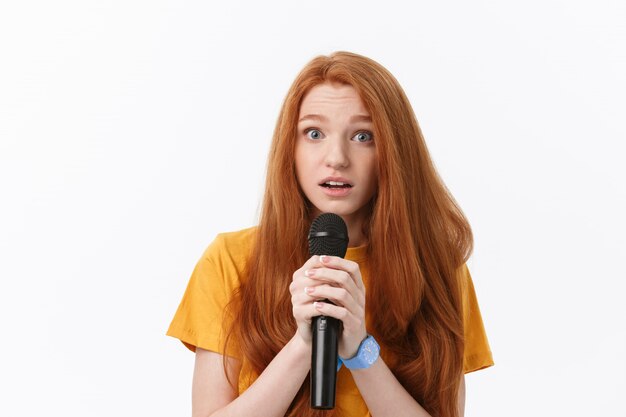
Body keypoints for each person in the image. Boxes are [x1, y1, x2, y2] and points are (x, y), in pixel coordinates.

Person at [167, 51, 494, 417]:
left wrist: (359, 351)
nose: (336, 157)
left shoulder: (437, 268)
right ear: (290, 148)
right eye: (314, 133)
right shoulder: (230, 259)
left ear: (393, 150)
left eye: (362, 135)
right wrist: (302, 345)